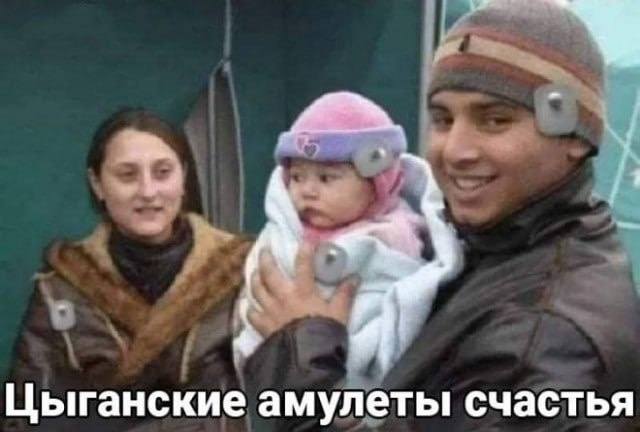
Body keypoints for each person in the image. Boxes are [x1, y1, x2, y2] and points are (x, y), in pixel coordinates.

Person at [243, 0, 640, 430]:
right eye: (443, 119)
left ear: (576, 136)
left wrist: (300, 360)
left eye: (495, 120)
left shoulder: (537, 344)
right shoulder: (495, 243)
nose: (455, 150)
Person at [1, 108, 252, 432]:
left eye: (163, 172)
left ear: (184, 177)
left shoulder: (243, 271)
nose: (148, 191)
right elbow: (21, 413)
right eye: (127, 175)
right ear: (98, 184)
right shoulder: (60, 289)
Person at [232, 91, 463, 391]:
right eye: (297, 177)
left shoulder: (396, 238)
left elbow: (399, 310)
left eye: (326, 178)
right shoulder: (284, 230)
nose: (307, 191)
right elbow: (258, 283)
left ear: (377, 184)